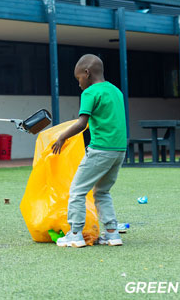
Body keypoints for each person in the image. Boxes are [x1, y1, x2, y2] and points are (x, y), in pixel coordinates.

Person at [52, 54, 127, 247]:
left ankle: (75, 234)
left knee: (77, 191)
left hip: (100, 150)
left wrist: (62, 136)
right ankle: (112, 234)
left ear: (87, 73)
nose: (79, 84)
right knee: (102, 192)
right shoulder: (116, 91)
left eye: (79, 79)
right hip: (119, 150)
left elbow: (81, 123)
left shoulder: (90, 93)